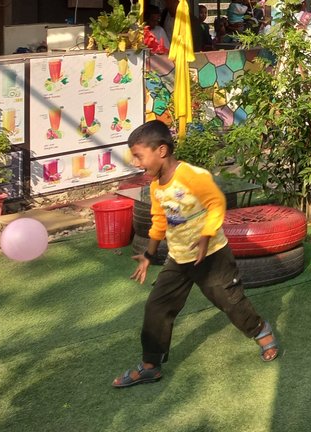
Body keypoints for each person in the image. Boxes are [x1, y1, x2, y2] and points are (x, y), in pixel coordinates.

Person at [112, 121, 278, 388]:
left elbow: (216, 203)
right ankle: (150, 365)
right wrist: (148, 255)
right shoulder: (156, 187)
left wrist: (206, 235)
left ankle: (261, 331)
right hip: (179, 258)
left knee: (230, 302)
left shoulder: (191, 176)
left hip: (212, 255)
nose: (135, 162)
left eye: (139, 156)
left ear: (161, 151)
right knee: (157, 306)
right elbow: (159, 220)